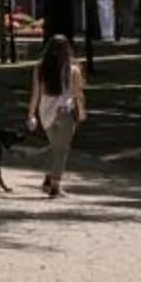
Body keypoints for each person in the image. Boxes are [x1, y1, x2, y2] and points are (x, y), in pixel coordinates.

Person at [26, 33, 88, 198]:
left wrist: (31, 114)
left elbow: (36, 93)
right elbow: (77, 94)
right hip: (64, 111)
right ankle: (55, 185)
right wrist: (81, 111)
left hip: (46, 112)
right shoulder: (73, 69)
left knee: (56, 148)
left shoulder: (40, 68)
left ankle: (49, 178)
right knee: (62, 150)